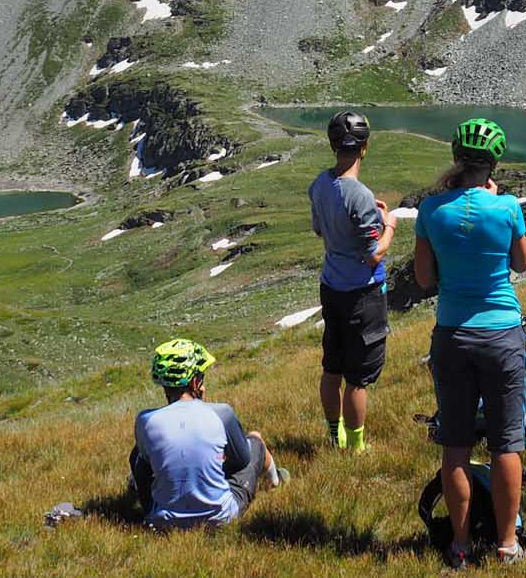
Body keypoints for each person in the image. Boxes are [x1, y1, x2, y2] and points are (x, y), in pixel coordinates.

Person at [412, 117, 526, 568]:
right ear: (493, 162)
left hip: (452, 334)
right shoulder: (508, 209)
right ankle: (506, 545)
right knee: (506, 443)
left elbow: (425, 279)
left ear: (456, 159)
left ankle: (460, 545)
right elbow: (521, 264)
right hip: (501, 333)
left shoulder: (430, 210)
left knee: (456, 444)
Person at [129, 339, 284, 529]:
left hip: (162, 521)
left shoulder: (145, 420)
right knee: (256, 440)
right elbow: (241, 461)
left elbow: (143, 464)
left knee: (137, 454)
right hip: (221, 516)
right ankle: (276, 482)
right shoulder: (221, 413)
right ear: (195, 382)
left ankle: (150, 508)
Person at [308, 110, 394, 452]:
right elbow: (375, 253)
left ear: (332, 146)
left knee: (332, 366)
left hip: (331, 287)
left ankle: (335, 434)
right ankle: (356, 447)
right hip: (363, 293)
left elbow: (319, 228)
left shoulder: (319, 184)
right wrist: (389, 225)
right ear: (365, 147)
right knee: (357, 378)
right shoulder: (359, 194)